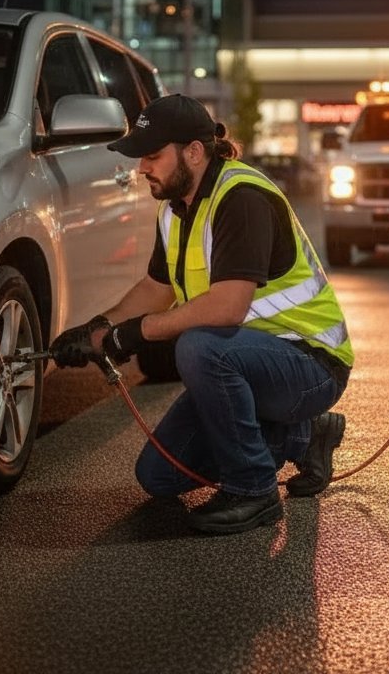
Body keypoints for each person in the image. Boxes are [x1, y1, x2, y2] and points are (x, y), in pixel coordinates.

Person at [49, 94, 354, 536]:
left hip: (310, 363)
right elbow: (158, 287)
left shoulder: (242, 198)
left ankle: (253, 490)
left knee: (197, 346)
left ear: (194, 151)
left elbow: (227, 308)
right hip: (246, 361)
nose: (141, 168)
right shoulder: (174, 209)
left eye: (152, 156)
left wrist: (134, 335)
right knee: (158, 476)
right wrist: (98, 330)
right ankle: (303, 437)